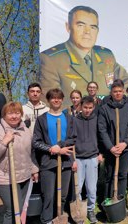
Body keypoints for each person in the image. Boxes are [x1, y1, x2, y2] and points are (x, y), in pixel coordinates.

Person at [39, 5, 128, 107]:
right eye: (81, 25)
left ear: (97, 31)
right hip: (74, 120)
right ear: (68, 27)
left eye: (93, 27)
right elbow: (50, 101)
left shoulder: (105, 56)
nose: (87, 32)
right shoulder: (51, 59)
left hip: (106, 119)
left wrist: (116, 102)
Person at [0, 102, 39, 224]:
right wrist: (3, 142)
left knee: (21, 207)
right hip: (5, 178)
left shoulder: (26, 131)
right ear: (4, 115)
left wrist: (33, 169)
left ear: (21, 115)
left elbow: (29, 153)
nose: (14, 116)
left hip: (24, 177)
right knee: (12, 210)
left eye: (17, 113)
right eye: (10, 113)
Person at [32, 88, 75, 224]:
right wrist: (52, 149)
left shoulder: (68, 118)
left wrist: (60, 146)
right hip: (48, 162)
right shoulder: (42, 119)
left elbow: (73, 138)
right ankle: (46, 220)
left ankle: (60, 218)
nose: (56, 100)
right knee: (48, 195)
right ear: (48, 100)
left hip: (66, 161)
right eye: (53, 98)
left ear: (62, 100)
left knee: (62, 195)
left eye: (59, 98)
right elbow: (36, 142)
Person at [98, 79, 128, 201]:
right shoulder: (104, 109)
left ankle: (120, 200)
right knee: (109, 175)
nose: (118, 93)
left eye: (120, 91)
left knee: (122, 175)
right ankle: (108, 200)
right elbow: (102, 130)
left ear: (123, 91)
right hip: (111, 149)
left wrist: (125, 143)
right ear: (111, 93)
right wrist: (111, 147)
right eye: (115, 91)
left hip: (125, 149)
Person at [72, 96, 103, 223]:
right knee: (77, 187)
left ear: (93, 107)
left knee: (91, 188)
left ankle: (90, 210)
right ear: (80, 106)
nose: (87, 110)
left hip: (92, 158)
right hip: (78, 158)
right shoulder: (73, 121)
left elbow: (101, 137)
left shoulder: (97, 120)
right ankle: (78, 211)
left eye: (90, 108)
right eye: (85, 107)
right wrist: (72, 158)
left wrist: (100, 153)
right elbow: (71, 140)